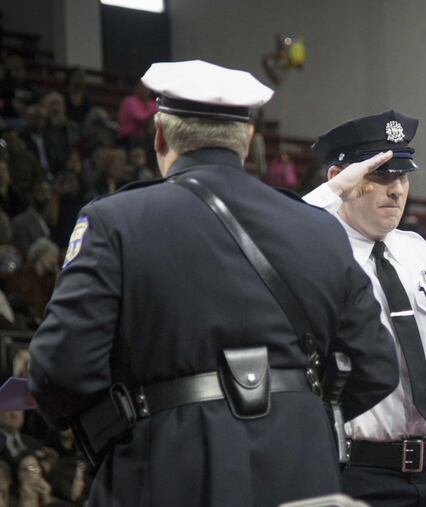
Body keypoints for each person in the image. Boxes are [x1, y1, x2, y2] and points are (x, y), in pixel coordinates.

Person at [29, 60, 399, 507]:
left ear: (161, 136)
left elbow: (61, 369)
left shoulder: (115, 221)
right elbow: (375, 366)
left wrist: (123, 425)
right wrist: (297, 417)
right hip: (304, 475)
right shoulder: (319, 229)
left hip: (163, 469)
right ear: (246, 141)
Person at [306, 110, 426, 506]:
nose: (397, 190)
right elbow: (273, 232)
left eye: (403, 177)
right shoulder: (312, 257)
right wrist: (330, 196)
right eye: (381, 176)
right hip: (356, 477)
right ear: (340, 180)